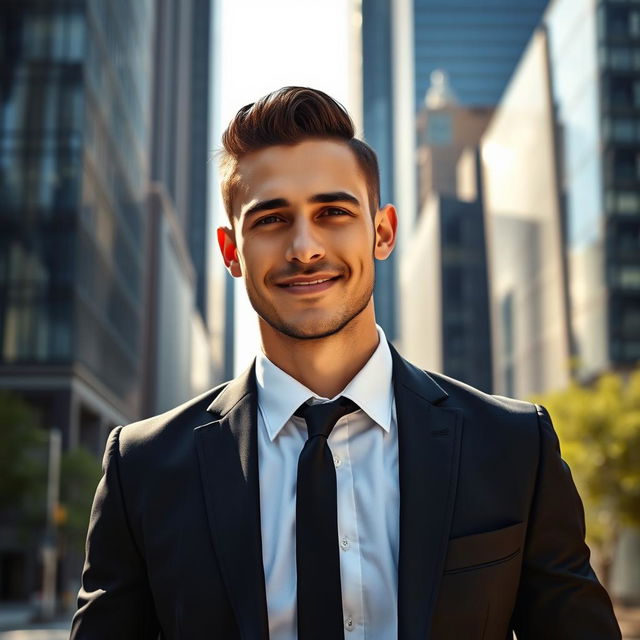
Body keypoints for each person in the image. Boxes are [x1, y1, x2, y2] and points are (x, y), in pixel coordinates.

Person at [70, 87, 621, 640]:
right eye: (271, 219)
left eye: (333, 212)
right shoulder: (141, 468)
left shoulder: (513, 444)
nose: (305, 247)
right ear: (231, 251)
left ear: (382, 231)